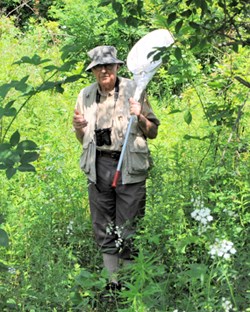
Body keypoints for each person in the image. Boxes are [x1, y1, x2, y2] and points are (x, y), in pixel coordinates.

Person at [73, 45, 160, 290]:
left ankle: (130, 283)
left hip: (129, 166)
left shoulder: (135, 89)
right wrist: (79, 127)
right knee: (102, 225)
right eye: (99, 67)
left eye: (108, 66)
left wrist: (140, 115)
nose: (104, 70)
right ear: (93, 71)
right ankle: (113, 282)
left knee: (129, 224)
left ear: (117, 67)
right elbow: (82, 138)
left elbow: (153, 131)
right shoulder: (86, 95)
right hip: (98, 166)